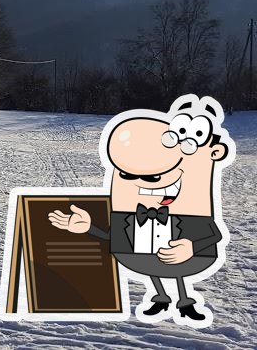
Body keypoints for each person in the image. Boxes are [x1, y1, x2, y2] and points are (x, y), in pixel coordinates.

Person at [49, 95, 233, 326]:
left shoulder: (193, 212)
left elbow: (214, 235)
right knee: (151, 263)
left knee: (174, 266)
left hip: (186, 257)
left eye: (154, 177)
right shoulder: (128, 215)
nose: (146, 183)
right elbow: (115, 239)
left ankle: (185, 303)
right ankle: (160, 297)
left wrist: (192, 247)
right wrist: (88, 228)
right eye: (126, 175)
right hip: (142, 258)